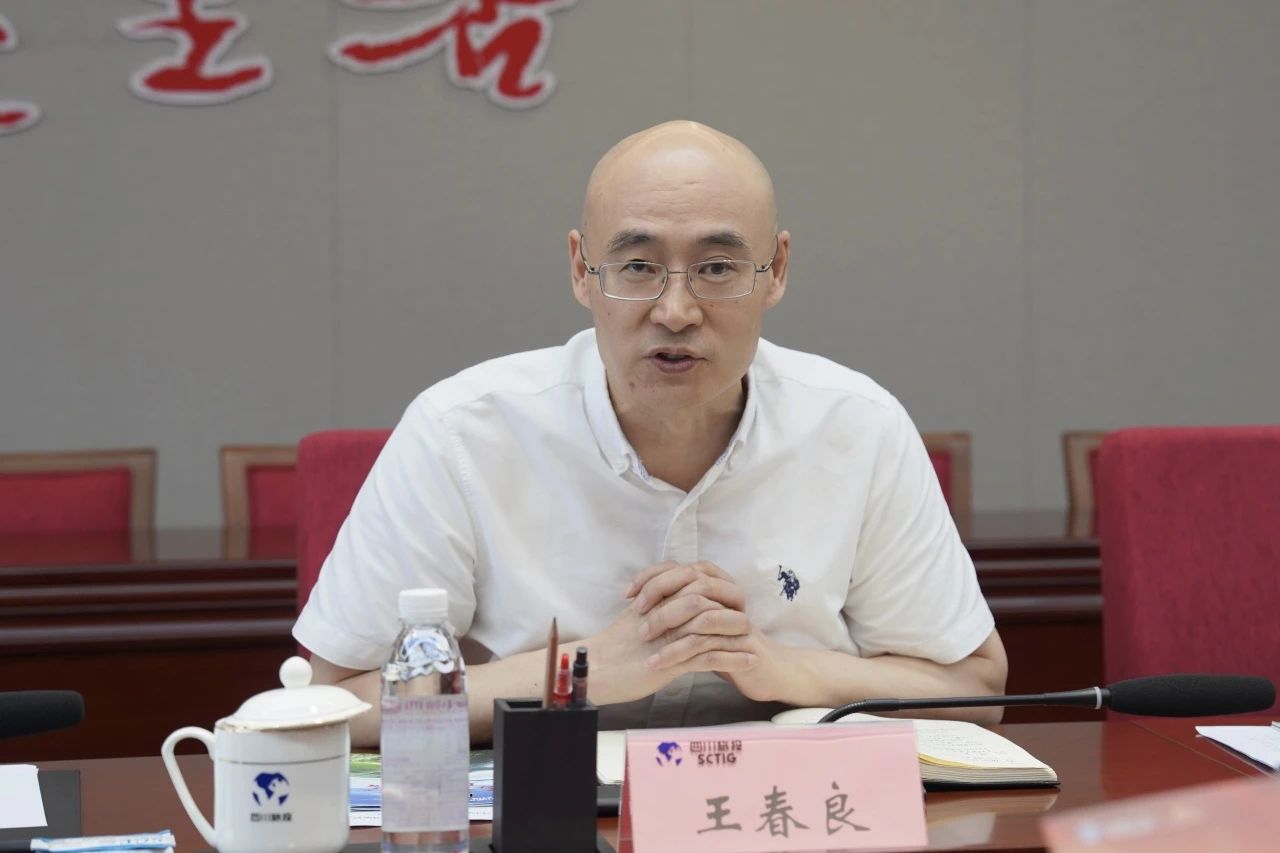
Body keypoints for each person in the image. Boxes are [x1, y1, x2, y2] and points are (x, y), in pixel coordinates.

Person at [295, 121, 1007, 746]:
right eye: (637, 267)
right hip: (543, 819)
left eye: (718, 268)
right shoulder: (462, 431)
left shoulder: (857, 425)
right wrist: (579, 671)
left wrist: (780, 667)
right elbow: (331, 701)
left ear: (777, 270)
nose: (676, 311)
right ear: (581, 270)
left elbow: (973, 684)